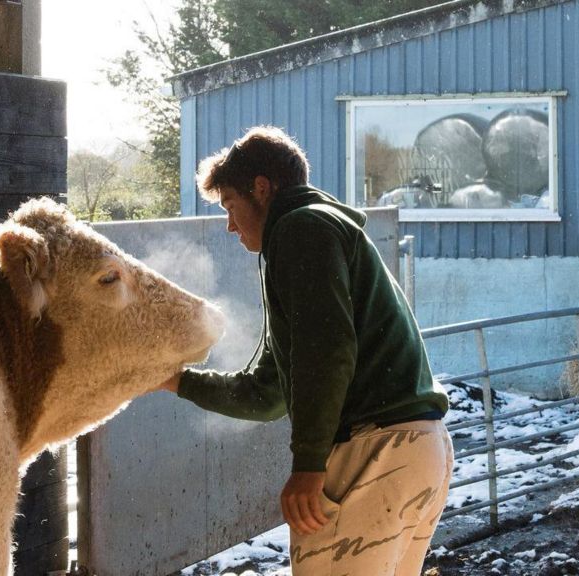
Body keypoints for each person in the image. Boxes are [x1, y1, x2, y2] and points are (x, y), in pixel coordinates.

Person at [155, 126, 454, 575]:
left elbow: (327, 351)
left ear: (261, 188)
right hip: (418, 449)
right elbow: (268, 392)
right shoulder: (316, 233)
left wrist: (309, 466)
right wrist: (173, 379)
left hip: (375, 451)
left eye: (231, 207)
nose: (230, 225)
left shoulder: (301, 228)